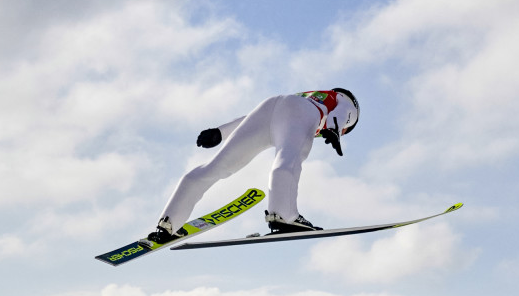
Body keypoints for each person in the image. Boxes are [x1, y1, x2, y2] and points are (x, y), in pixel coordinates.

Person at [145, 88, 360, 244]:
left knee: (216, 166)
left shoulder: (309, 94)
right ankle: (283, 214)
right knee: (289, 159)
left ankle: (169, 222)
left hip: (271, 105)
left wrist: (220, 132)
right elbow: (345, 113)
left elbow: (258, 117)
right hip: (299, 111)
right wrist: (334, 128)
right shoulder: (343, 102)